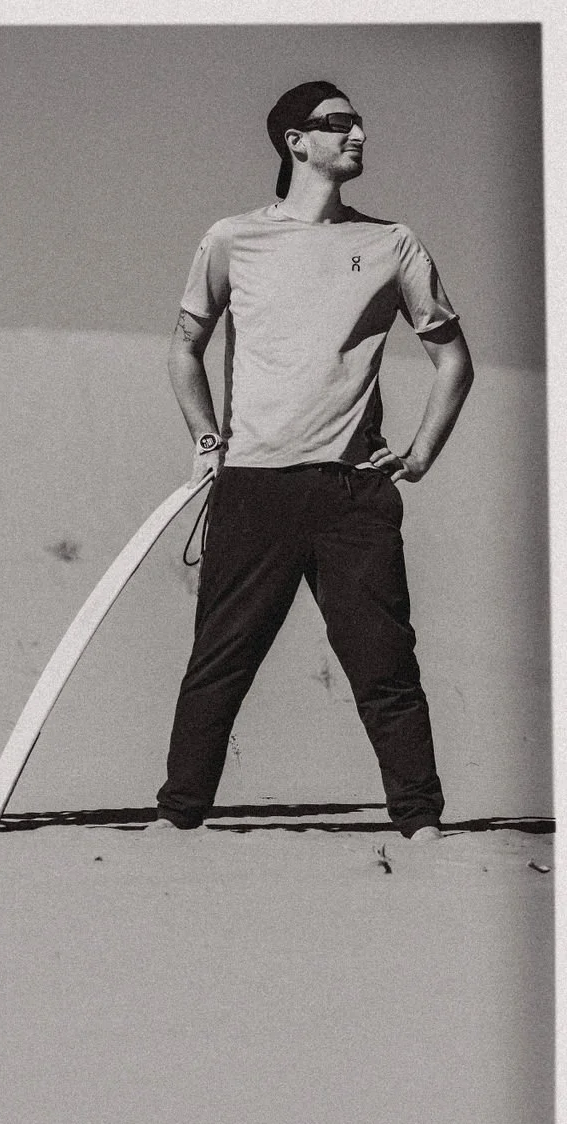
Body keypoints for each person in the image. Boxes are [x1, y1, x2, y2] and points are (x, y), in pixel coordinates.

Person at [153, 81, 473, 840]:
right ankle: (176, 818)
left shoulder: (393, 242)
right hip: (254, 488)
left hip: (353, 492)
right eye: (338, 124)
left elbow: (453, 359)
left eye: (360, 121)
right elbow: (183, 347)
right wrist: (206, 438)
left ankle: (421, 822)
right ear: (295, 141)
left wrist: (422, 453)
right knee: (218, 665)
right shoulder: (233, 237)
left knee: (385, 667)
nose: (358, 132)